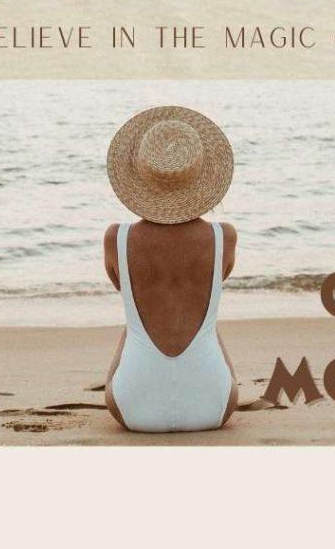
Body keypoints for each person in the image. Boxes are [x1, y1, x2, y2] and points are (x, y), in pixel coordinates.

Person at [102, 105, 239, 433]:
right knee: (208, 322)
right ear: (202, 175)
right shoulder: (224, 237)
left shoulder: (116, 238)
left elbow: (125, 289)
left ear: (139, 176)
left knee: (132, 324)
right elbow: (216, 280)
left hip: (133, 408)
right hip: (214, 405)